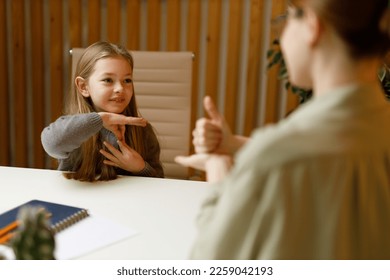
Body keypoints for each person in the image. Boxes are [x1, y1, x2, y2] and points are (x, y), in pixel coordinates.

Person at [176, 0, 390, 259]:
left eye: (286, 19)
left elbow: (210, 263)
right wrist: (232, 144)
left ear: (312, 26)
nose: (283, 36)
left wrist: (218, 164)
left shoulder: (277, 156)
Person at [42, 41, 164, 182]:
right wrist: (100, 120)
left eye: (127, 80)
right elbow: (52, 143)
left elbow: (160, 183)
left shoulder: (143, 131)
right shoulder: (74, 130)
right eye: (108, 80)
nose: (120, 88)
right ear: (83, 87)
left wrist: (141, 168)